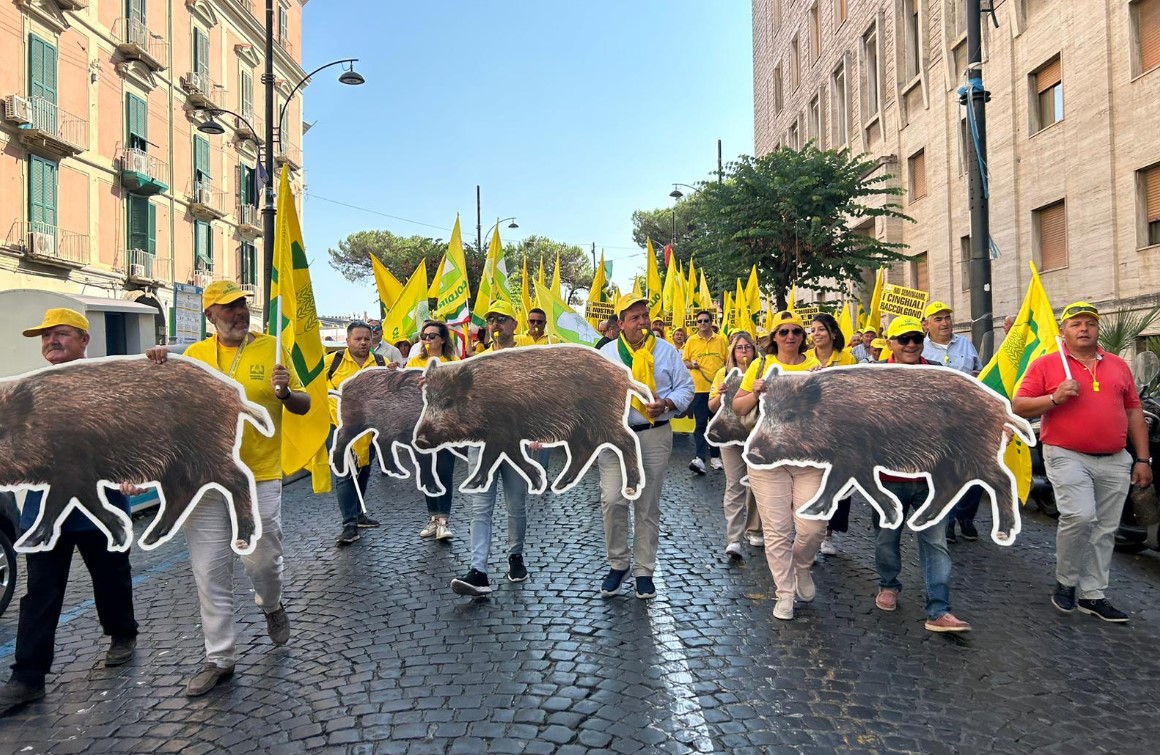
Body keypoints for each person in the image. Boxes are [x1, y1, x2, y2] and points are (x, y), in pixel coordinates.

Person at [145, 281, 309, 695]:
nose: (239, 313)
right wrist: (157, 363)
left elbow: (304, 405)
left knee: (262, 561)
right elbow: (164, 406)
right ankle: (219, 658)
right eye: (228, 308)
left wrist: (287, 393)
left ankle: (271, 604)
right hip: (202, 477)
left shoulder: (271, 347)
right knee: (209, 568)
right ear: (210, 316)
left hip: (258, 475)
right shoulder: (195, 357)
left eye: (242, 305)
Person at [0, 309, 139, 710]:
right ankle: (28, 676)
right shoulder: (27, 390)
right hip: (45, 511)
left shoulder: (109, 385)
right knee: (40, 592)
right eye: (45, 337)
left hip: (100, 506)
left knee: (111, 578)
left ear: (84, 339)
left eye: (60, 334)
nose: (51, 342)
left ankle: (122, 633)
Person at [1013, 302, 1150, 623]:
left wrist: (1143, 458)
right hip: (1065, 453)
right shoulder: (1047, 365)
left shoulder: (1118, 365)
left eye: (1090, 323)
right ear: (1063, 331)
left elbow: (1134, 412)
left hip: (1116, 458)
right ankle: (1066, 580)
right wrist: (1054, 398)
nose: (1084, 328)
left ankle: (1093, 594)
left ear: (1097, 328)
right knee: (1080, 515)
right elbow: (1018, 405)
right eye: (1076, 324)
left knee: (1105, 528)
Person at [872, 316, 970, 632]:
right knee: (887, 539)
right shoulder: (872, 378)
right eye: (904, 339)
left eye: (916, 338)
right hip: (887, 480)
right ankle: (888, 583)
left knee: (937, 542)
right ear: (891, 344)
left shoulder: (939, 376)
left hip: (932, 480)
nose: (911, 344)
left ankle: (939, 610)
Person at [597, 294, 694, 599]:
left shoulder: (666, 352)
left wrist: (667, 403)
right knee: (613, 501)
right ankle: (618, 563)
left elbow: (686, 387)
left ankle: (643, 570)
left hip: (654, 435)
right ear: (621, 323)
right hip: (616, 437)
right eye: (634, 317)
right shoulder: (607, 354)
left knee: (647, 504)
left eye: (645, 316)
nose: (642, 322)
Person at [731, 311, 823, 621]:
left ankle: (802, 567)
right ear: (774, 338)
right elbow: (738, 407)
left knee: (812, 527)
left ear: (803, 336)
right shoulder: (760, 366)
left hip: (808, 458)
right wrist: (755, 390)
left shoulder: (817, 368)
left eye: (796, 331)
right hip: (768, 459)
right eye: (783, 332)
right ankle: (784, 592)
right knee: (777, 531)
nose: (790, 336)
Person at [449, 302, 537, 597]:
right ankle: (479, 571)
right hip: (482, 445)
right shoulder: (476, 363)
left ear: (515, 324)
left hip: (515, 444)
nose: (495, 324)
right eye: (490, 320)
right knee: (480, 509)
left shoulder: (527, 360)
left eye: (501, 319)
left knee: (516, 505)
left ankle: (515, 555)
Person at [921, 302, 985, 542]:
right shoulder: (921, 349)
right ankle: (946, 522)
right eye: (938, 319)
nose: (944, 323)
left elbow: (979, 373)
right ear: (926, 324)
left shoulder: (966, 345)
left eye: (947, 317)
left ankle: (965, 516)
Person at [327, 321, 387, 546]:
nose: (363, 343)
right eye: (358, 339)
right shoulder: (332, 362)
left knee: (364, 470)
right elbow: (310, 382)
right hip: (339, 428)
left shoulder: (381, 363)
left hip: (369, 430)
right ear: (348, 340)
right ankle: (349, 524)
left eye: (367, 339)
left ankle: (359, 514)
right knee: (344, 474)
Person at [708, 331, 765, 557]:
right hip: (730, 436)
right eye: (739, 348)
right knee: (734, 485)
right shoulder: (723, 373)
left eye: (747, 347)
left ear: (753, 350)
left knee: (756, 485)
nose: (743, 351)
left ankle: (754, 529)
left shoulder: (762, 372)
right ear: (732, 351)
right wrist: (719, 394)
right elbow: (712, 407)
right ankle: (734, 537)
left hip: (755, 436)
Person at [808, 313, 857, 555]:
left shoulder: (847, 358)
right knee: (812, 481)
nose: (816, 334)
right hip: (812, 430)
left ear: (833, 333)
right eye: (813, 330)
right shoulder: (805, 359)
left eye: (821, 330)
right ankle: (811, 530)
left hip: (840, 429)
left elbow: (855, 393)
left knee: (839, 481)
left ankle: (828, 533)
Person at [407, 320, 460, 540]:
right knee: (427, 472)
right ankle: (432, 519)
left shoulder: (453, 362)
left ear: (442, 339)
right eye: (424, 336)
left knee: (444, 472)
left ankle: (444, 521)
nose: (427, 340)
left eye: (432, 336)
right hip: (420, 425)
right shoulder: (414, 362)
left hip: (446, 426)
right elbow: (404, 393)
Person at [683, 310, 729, 475]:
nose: (702, 324)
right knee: (701, 424)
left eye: (706, 321)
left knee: (716, 424)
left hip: (717, 390)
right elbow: (684, 362)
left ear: (711, 322)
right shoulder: (691, 341)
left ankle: (716, 457)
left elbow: (728, 361)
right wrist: (691, 364)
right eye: (700, 321)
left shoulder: (721, 340)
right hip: (700, 389)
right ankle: (700, 458)